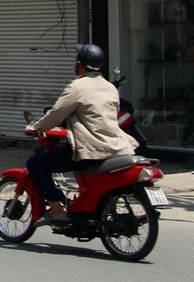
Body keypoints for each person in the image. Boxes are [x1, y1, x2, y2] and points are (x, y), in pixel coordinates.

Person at [24, 43, 137, 224]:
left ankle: (57, 210)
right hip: (116, 147)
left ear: (80, 64)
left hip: (90, 149)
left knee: (35, 164)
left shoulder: (77, 87)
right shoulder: (110, 87)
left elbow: (56, 113)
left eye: (76, 60)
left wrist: (35, 128)